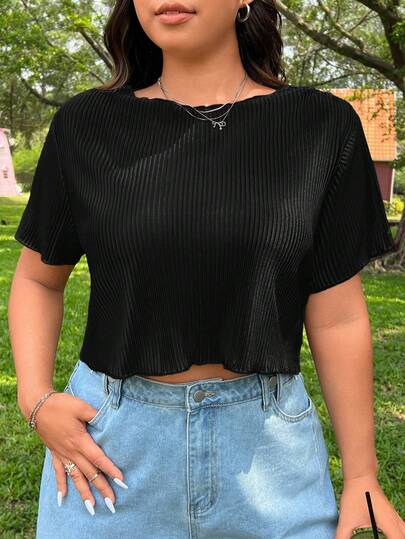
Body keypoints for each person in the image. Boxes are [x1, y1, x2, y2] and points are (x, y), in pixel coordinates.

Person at [8, 0, 404, 538]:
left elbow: (338, 317)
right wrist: (35, 398)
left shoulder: (321, 127)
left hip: (271, 463)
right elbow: (38, 278)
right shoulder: (86, 125)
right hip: (109, 455)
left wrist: (361, 475)